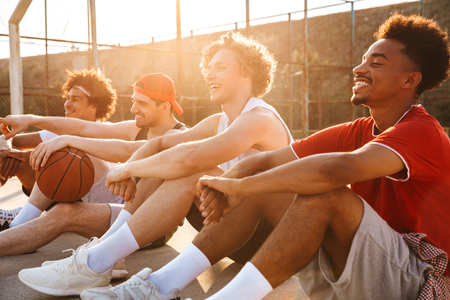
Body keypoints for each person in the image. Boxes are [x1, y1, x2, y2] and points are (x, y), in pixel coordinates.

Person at [107, 13, 450, 300]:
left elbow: (336, 169)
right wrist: (229, 183)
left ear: (410, 79)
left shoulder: (423, 131)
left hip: (418, 277)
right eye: (362, 61)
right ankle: (158, 286)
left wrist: (242, 188)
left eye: (375, 63)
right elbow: (266, 160)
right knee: (269, 183)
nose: (359, 69)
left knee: (325, 195)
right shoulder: (358, 128)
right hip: (365, 263)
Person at [4, 31, 294, 297]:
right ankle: (105, 256)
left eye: (221, 67)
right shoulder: (219, 121)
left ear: (247, 73)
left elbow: (191, 158)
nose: (209, 73)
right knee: (165, 160)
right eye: (209, 66)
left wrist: (129, 169)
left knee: (188, 169)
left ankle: (98, 260)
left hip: (267, 235)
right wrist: (139, 161)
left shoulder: (260, 119)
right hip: (227, 228)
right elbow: (156, 144)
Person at [0, 72, 187, 265]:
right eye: (134, 101)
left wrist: (67, 139)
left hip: (150, 221)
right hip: (124, 199)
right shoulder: (138, 127)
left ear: (165, 107)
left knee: (65, 212)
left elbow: (126, 150)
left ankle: (19, 231)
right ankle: (20, 224)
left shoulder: (181, 136)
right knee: (69, 154)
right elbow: (81, 128)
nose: (133, 108)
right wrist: (31, 119)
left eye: (142, 103)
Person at [0, 69, 117, 229]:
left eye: (75, 99)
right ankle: (23, 216)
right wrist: (7, 154)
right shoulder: (57, 131)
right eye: (67, 98)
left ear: (93, 106)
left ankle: (20, 220)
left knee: (68, 155)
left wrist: (24, 155)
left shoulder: (108, 130)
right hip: (65, 197)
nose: (67, 104)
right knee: (14, 155)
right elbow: (6, 137)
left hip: (102, 204)